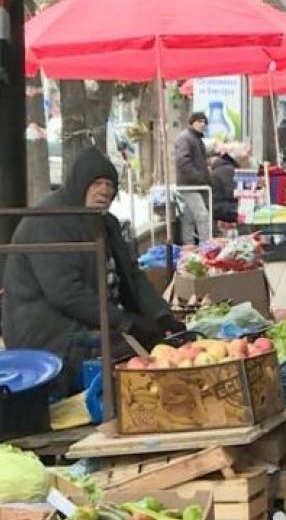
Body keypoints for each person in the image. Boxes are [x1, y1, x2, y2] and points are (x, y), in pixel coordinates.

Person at [1, 146, 185, 396]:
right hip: (50, 336)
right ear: (79, 184)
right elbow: (66, 292)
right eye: (96, 183)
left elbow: (132, 276)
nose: (104, 191)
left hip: (92, 324)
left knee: (160, 345)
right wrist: (126, 323)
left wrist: (162, 316)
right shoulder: (48, 220)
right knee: (132, 358)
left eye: (109, 185)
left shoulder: (105, 222)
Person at [175, 111, 212, 244]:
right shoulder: (185, 138)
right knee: (202, 215)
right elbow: (182, 162)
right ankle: (205, 248)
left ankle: (188, 245)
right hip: (189, 185)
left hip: (194, 185)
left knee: (189, 218)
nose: (202, 124)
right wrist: (199, 178)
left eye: (204, 122)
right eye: (199, 121)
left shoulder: (197, 140)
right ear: (192, 122)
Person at [210, 146, 251, 225]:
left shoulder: (223, 168)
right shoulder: (229, 170)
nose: (248, 163)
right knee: (249, 211)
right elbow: (233, 194)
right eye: (246, 160)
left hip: (217, 205)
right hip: (222, 207)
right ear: (240, 160)